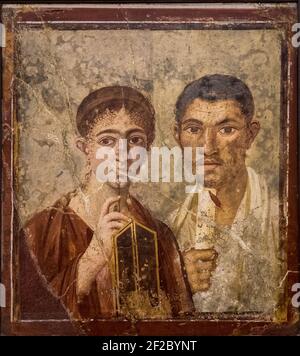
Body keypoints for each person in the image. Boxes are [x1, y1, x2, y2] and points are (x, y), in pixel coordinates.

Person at [21, 86, 193, 326]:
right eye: (107, 141)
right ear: (85, 148)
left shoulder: (160, 235)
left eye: (135, 140)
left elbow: (181, 324)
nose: (122, 153)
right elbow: (25, 319)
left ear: (147, 150)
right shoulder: (40, 231)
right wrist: (93, 257)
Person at [168, 74, 282, 313]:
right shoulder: (170, 227)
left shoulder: (281, 217)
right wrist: (176, 280)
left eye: (226, 129)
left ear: (250, 135)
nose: (207, 147)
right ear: (177, 136)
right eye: (193, 129)